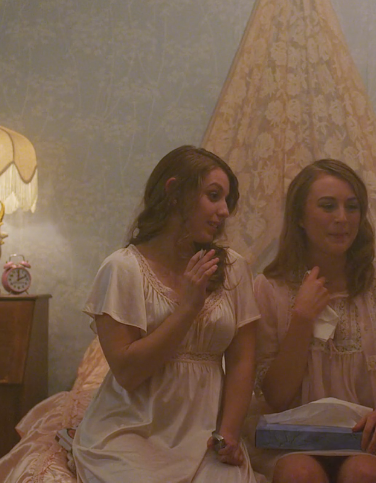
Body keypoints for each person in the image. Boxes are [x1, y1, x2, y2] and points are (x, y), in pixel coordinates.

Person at [72, 145, 259, 483]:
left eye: (226, 200)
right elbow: (128, 373)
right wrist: (187, 309)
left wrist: (229, 433)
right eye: (213, 196)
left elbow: (243, 359)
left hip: (206, 437)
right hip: (131, 433)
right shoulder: (122, 269)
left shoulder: (233, 269)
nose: (224, 211)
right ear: (174, 192)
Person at [251, 159, 376, 483]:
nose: (342, 218)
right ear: (299, 217)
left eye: (352, 207)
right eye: (327, 206)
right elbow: (276, 396)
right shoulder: (268, 290)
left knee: (364, 474)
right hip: (292, 440)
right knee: (300, 475)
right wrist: (302, 319)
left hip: (367, 439)